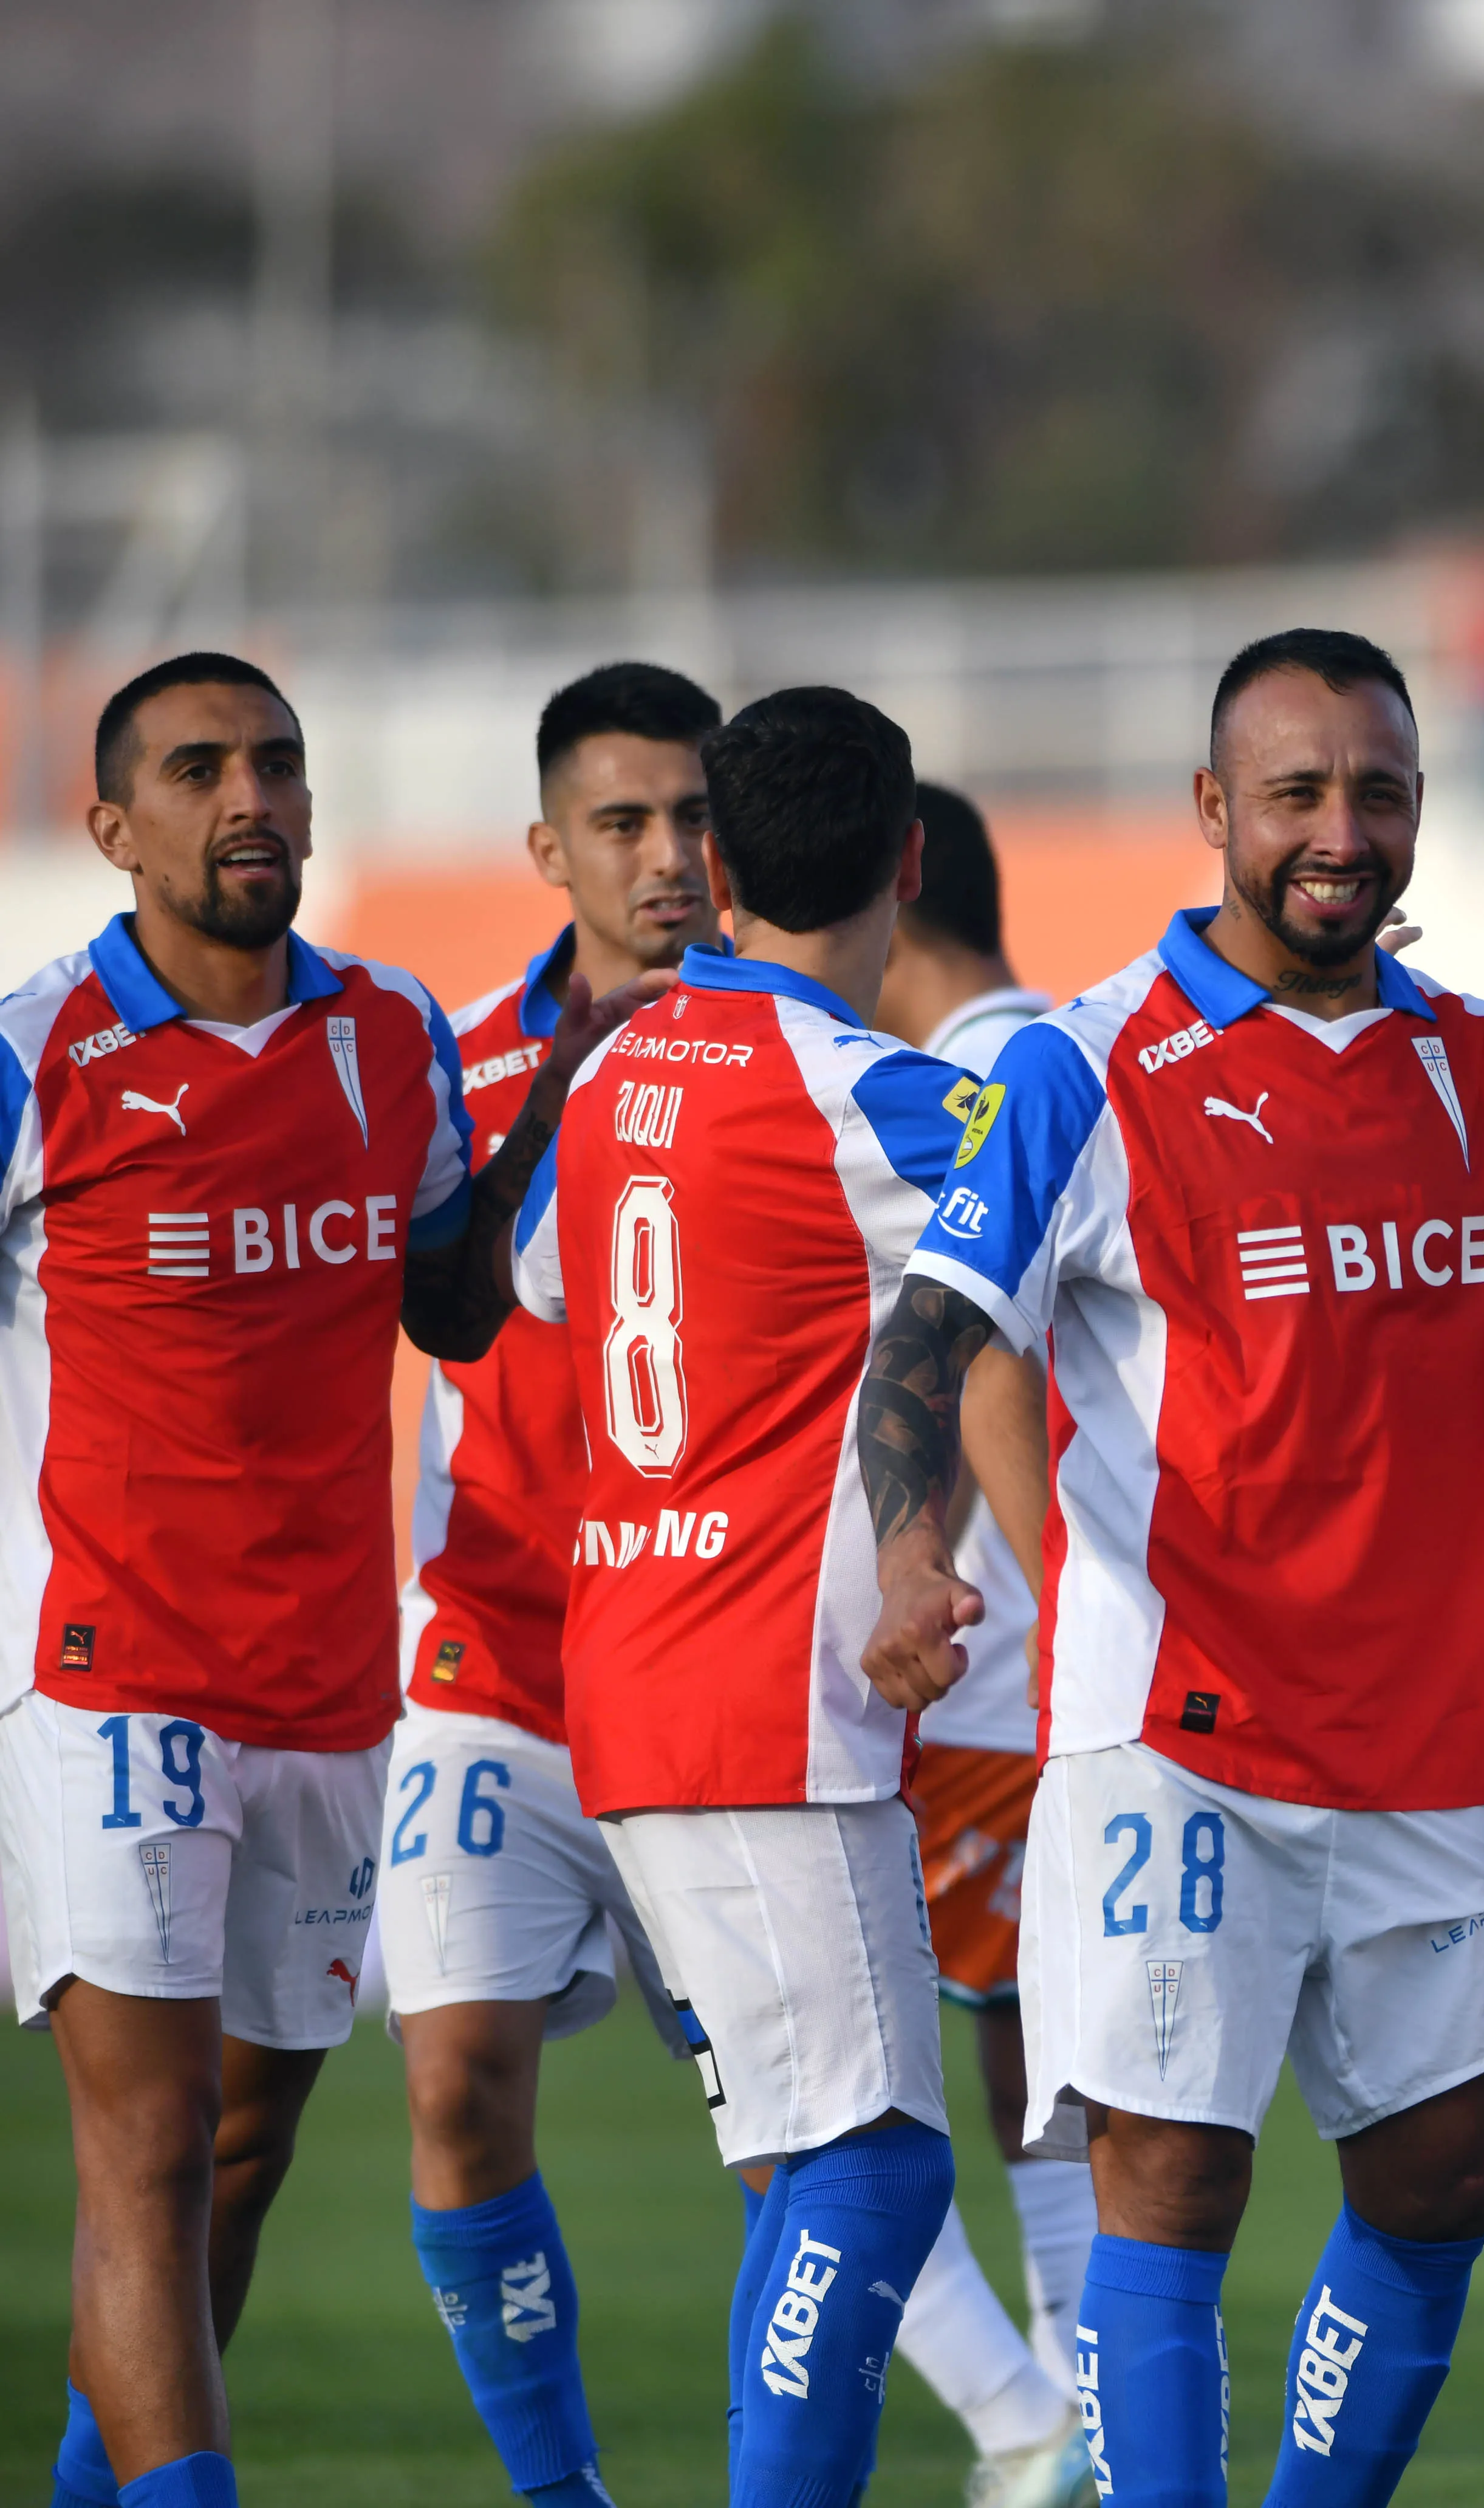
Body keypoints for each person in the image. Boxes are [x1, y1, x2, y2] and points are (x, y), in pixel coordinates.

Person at [858, 629, 1484, 2508]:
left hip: (1414, 1738)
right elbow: (927, 1339)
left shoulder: (1481, 1068)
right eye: (1298, 794)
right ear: (1212, 812)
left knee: (1448, 2167)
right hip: (1178, 1726)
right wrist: (915, 1556)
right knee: (1171, 2172)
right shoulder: (1094, 1066)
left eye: (1380, 790)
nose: (1343, 831)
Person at [4, 652, 629, 2508]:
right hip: (110, 1665)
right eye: (199, 769)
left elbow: (446, 1297)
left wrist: (563, 1090)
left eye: (275, 759)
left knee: (246, 2144)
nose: (252, 794)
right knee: (148, 2137)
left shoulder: (390, 1037)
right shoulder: (41, 1051)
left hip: (336, 1674)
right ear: (113, 827)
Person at [505, 684, 984, 2504]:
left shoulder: (614, 1063)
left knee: (808, 2168)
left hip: (625, 1668)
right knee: (873, 2170)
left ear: (712, 864)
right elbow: (1057, 1201)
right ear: (910, 862)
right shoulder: (872, 1095)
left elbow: (552, 1283)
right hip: (766, 1693)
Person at [383, 659, 720, 2508]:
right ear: (548, 848)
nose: (669, 857)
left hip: (720, 1673)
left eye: (695, 817)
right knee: (452, 2091)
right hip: (498, 1657)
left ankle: (962, 2426)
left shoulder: (804, 1055)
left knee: (794, 2143)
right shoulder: (452, 1064)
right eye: (624, 822)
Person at [865, 781, 1101, 2504]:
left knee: (827, 2091)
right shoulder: (1067, 1056)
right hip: (1025, 1663)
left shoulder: (986, 1086)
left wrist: (954, 1548)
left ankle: (1054, 2416)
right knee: (1032, 2045)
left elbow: (970, 1346)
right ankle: (1068, 2402)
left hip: (985, 1669)